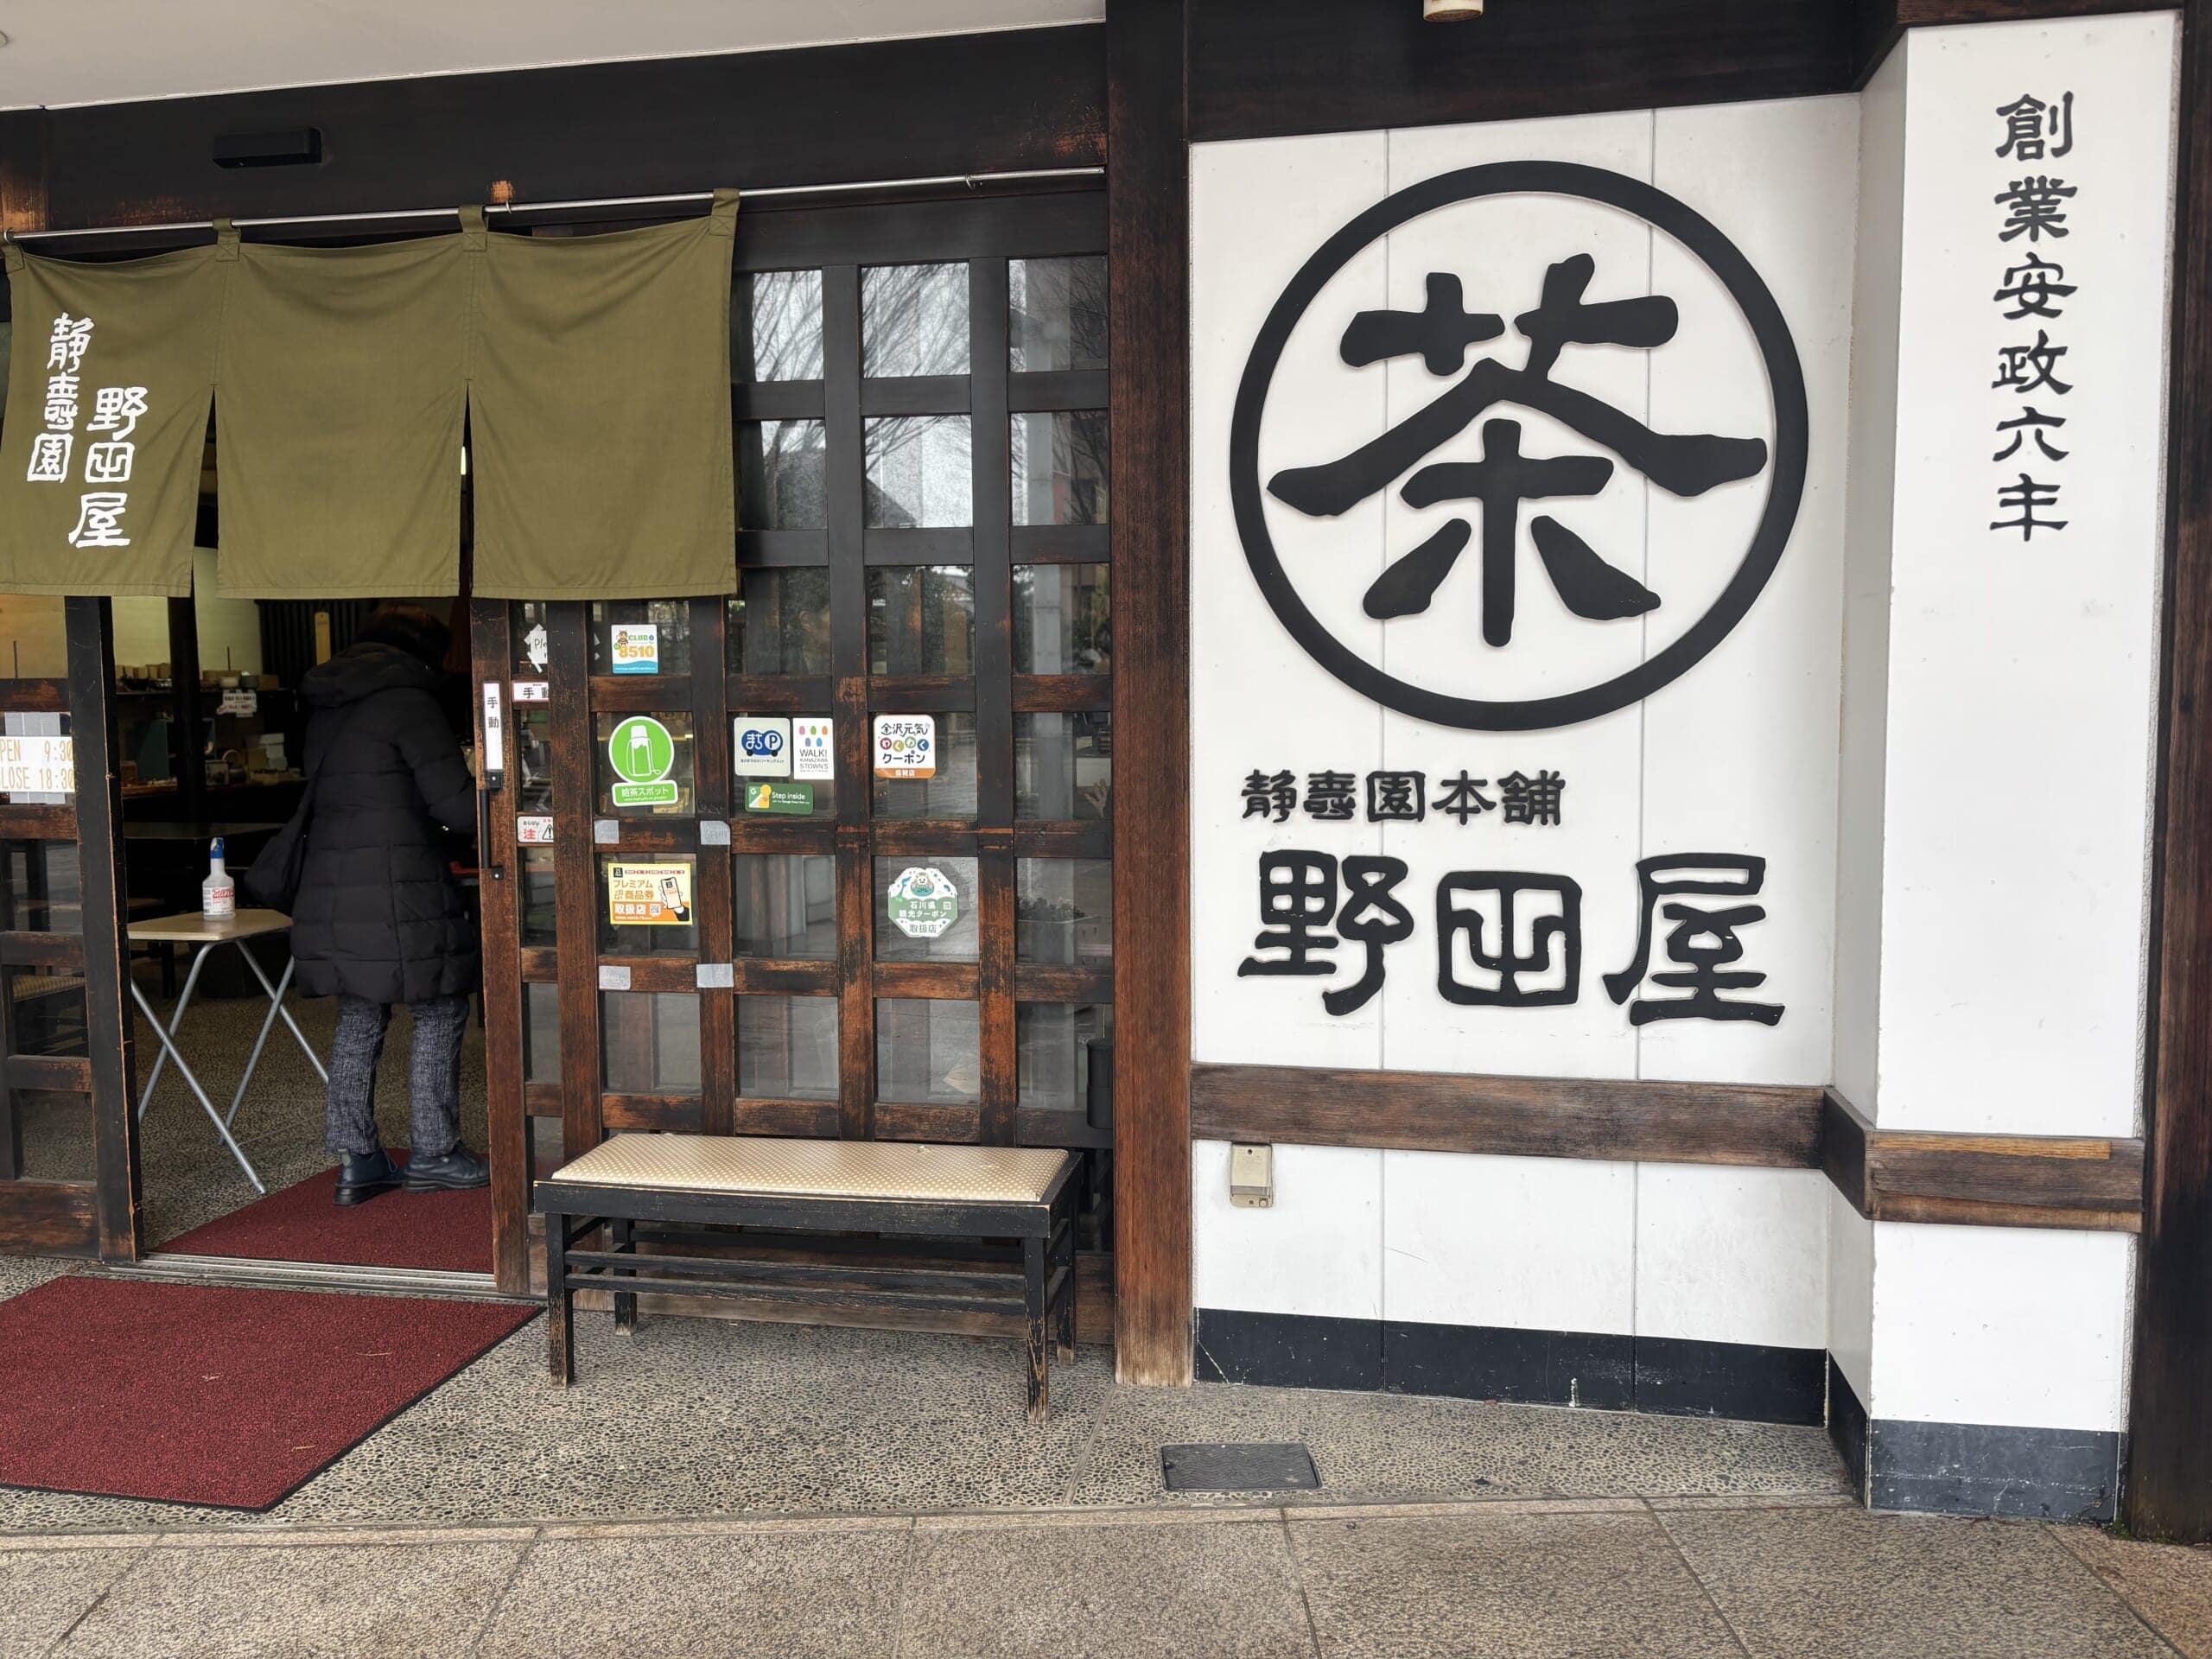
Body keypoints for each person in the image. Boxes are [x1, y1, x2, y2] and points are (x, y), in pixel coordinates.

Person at [289, 603, 488, 1205]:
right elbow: (456, 808)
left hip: (332, 886)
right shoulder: (411, 702)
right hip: (403, 885)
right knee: (439, 1007)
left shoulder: (326, 704)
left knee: (361, 1013)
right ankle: (435, 1150)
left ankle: (358, 1159)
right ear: (426, 655)